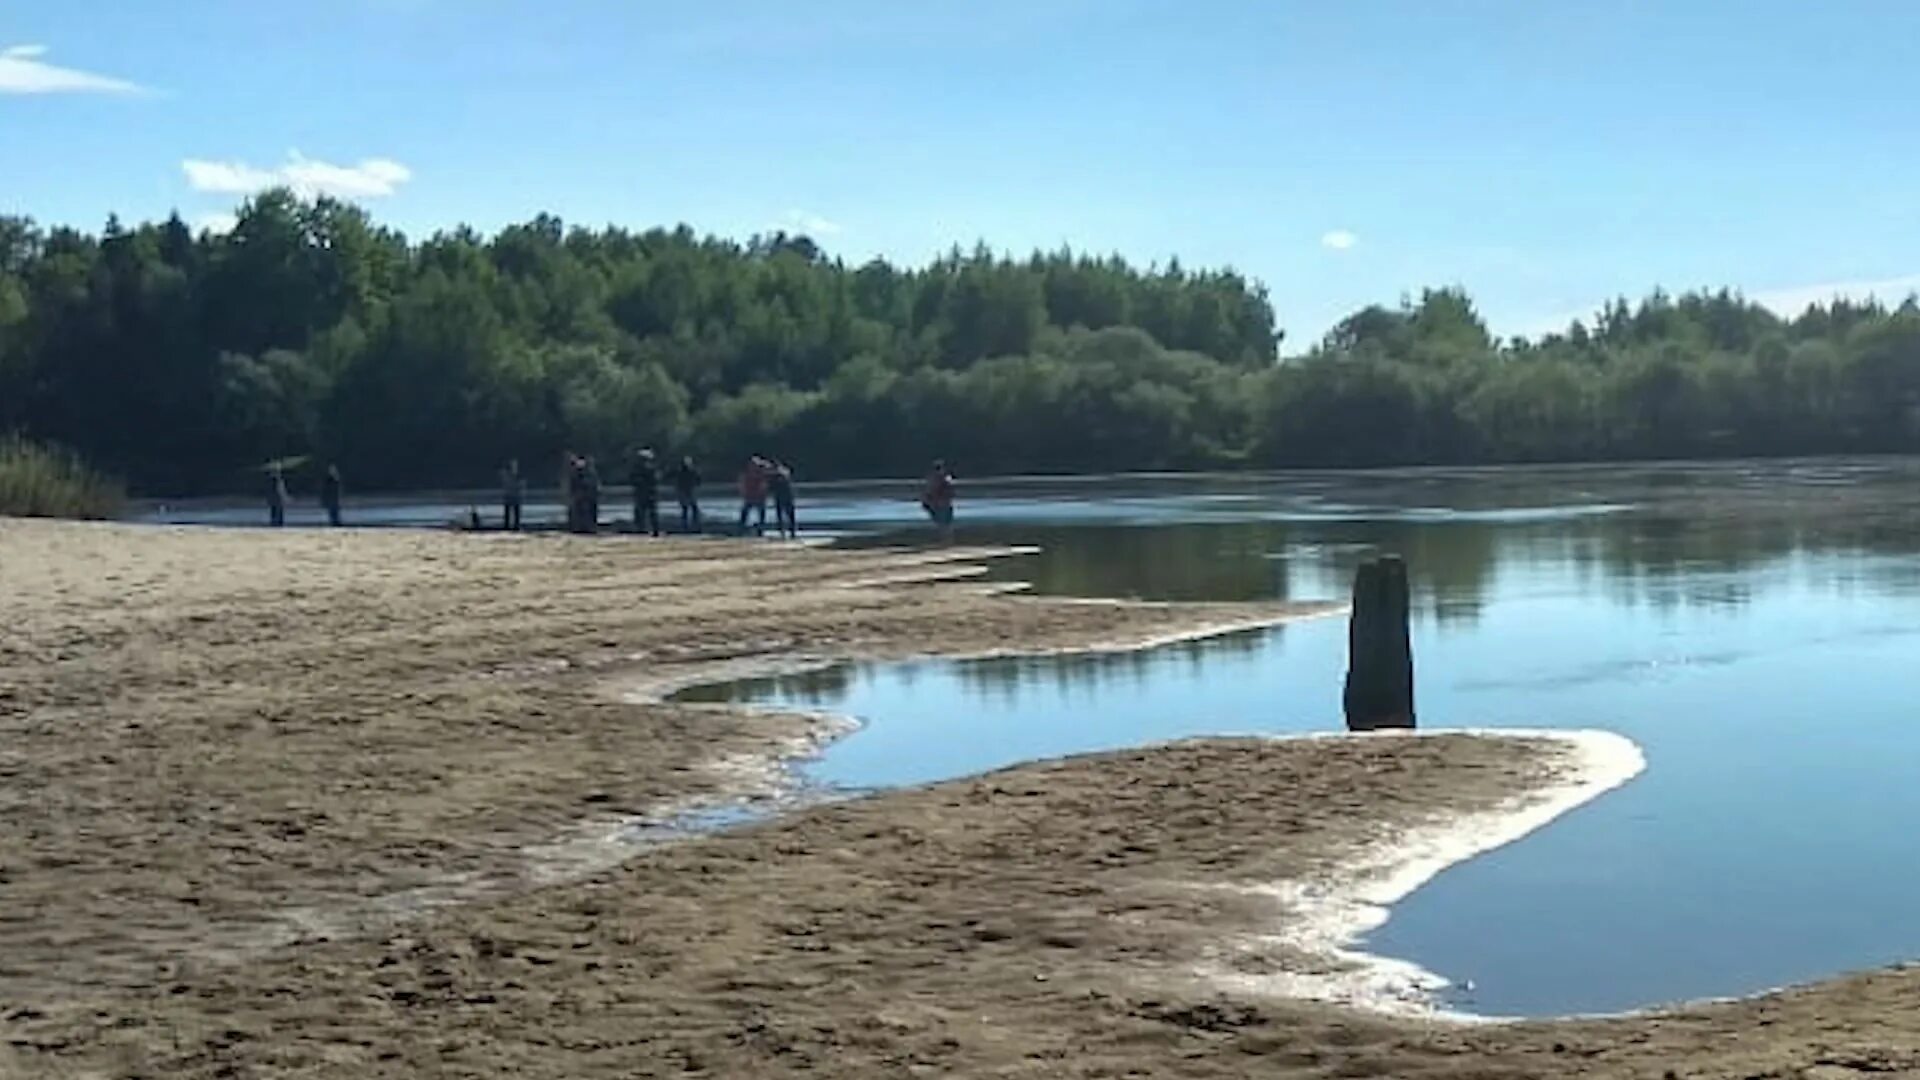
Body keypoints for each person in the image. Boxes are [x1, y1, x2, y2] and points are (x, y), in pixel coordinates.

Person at [628, 447, 661, 537]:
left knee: (646, 512)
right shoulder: (650, 468)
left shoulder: (646, 469)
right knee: (646, 512)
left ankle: (646, 529)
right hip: (646, 493)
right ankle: (646, 529)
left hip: (646, 493)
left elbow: (633, 480)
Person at [921, 459, 956, 539]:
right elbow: (931, 492)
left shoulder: (935, 479)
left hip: (940, 505)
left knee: (943, 524)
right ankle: (945, 538)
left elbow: (929, 493)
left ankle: (945, 538)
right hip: (940, 505)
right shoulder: (940, 479)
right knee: (944, 524)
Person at [737, 456, 769, 536]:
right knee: (745, 512)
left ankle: (761, 529)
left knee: (761, 514)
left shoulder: (762, 473)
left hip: (759, 497)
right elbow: (742, 484)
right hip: (750, 496)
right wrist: (743, 492)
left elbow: (764, 485)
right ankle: (741, 528)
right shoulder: (746, 474)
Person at [673, 455, 703, 534]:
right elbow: (698, 480)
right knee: (688, 508)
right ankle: (688, 525)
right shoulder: (685, 471)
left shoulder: (690, 471)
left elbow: (698, 480)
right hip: (685, 491)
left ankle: (693, 525)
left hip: (688, 491)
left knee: (691, 508)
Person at [769, 459, 798, 539]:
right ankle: (788, 532)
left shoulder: (780, 474)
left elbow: (771, 487)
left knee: (785, 515)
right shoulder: (783, 473)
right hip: (784, 496)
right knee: (787, 515)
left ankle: (788, 532)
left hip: (784, 496)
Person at [500, 458, 524, 531]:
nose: (514, 467)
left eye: (515, 466)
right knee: (507, 514)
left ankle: (516, 526)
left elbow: (521, 486)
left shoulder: (518, 476)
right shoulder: (506, 475)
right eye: (512, 466)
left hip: (516, 497)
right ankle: (506, 526)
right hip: (509, 496)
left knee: (516, 514)